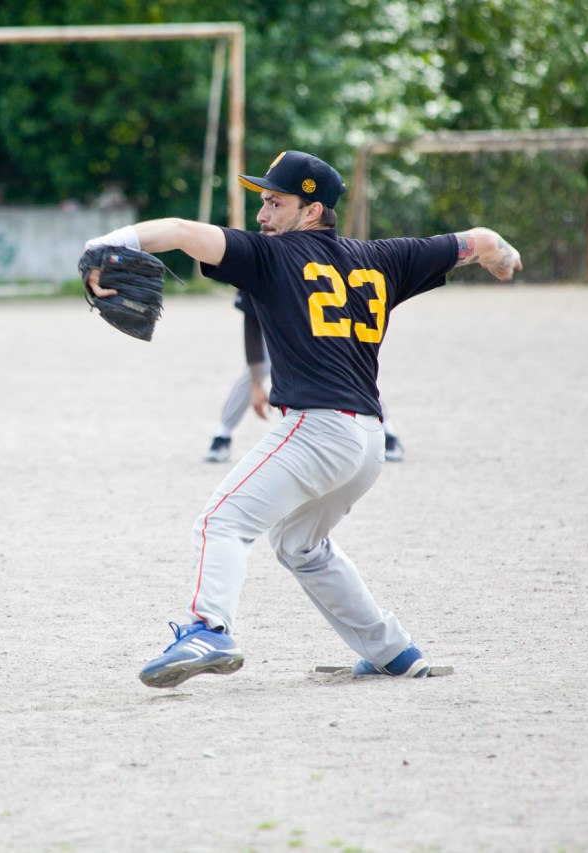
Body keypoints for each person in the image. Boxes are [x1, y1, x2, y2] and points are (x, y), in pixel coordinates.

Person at [83, 150, 521, 688]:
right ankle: (394, 652)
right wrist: (503, 257)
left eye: (275, 203)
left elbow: (179, 230)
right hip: (367, 443)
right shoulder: (384, 257)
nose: (263, 216)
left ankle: (208, 629)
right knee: (300, 546)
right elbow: (476, 241)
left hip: (317, 430)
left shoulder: (271, 258)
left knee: (223, 519)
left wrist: (107, 244)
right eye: (262, 203)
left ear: (312, 211)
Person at [203, 291, 407, 463]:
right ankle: (223, 434)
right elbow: (252, 323)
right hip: (283, 331)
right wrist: (256, 384)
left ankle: (387, 431)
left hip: (321, 327)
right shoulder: (261, 254)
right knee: (259, 365)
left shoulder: (319, 252)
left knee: (347, 366)